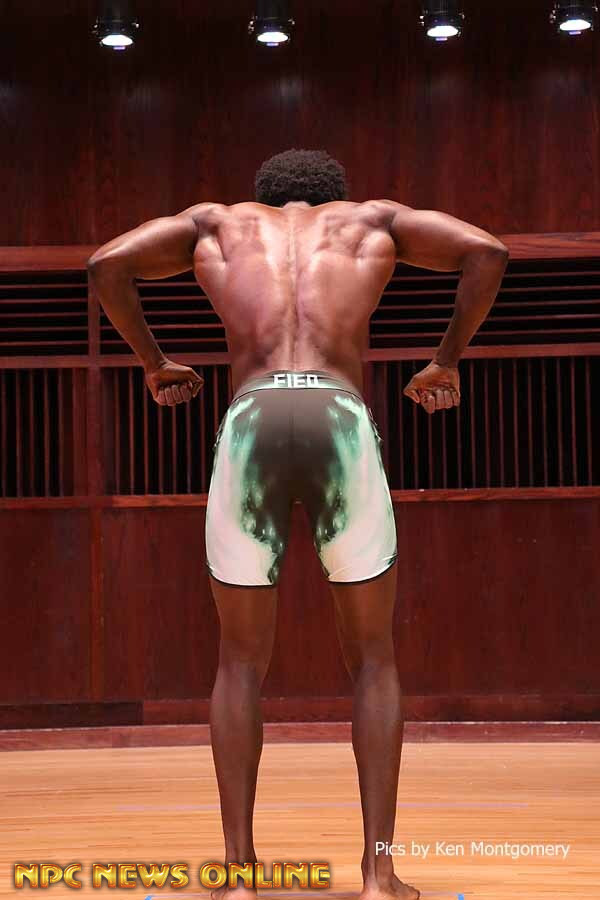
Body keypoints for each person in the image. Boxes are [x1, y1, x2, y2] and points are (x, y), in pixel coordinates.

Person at [88, 148, 508, 900]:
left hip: (251, 419)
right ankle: (378, 874)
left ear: (264, 196)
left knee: (239, 662)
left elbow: (106, 264)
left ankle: (239, 876)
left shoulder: (215, 224)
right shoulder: (372, 220)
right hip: (337, 416)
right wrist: (446, 360)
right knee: (373, 658)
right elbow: (487, 251)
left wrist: (154, 363)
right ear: (332, 195)